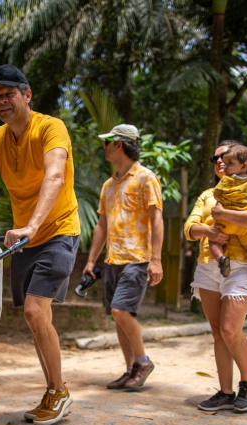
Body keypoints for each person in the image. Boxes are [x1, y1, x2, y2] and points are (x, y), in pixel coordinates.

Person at [0, 64, 80, 425]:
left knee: (33, 311)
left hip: (57, 230)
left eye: (9, 94)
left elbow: (55, 175)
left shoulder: (50, 127)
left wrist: (32, 225)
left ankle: (59, 392)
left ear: (27, 95)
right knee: (36, 318)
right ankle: (53, 390)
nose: (2, 101)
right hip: (26, 238)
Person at [184, 140, 247, 413]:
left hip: (244, 266)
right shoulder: (208, 194)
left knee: (230, 329)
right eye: (215, 158)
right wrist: (208, 232)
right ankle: (224, 392)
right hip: (210, 265)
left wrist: (223, 215)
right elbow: (190, 226)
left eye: (226, 157)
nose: (220, 161)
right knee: (217, 333)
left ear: (240, 161)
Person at [82, 124, 163, 390]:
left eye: (107, 142)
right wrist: (92, 261)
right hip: (112, 260)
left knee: (120, 310)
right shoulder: (109, 185)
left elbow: (157, 219)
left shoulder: (146, 178)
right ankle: (130, 370)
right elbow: (101, 226)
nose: (103, 146)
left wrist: (156, 259)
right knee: (117, 315)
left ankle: (143, 361)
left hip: (138, 258)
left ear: (119, 144)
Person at [208, 144, 247, 286]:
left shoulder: (226, 180)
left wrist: (222, 210)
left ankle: (221, 258)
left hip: (225, 224)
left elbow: (217, 193)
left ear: (243, 166)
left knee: (214, 241)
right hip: (245, 225)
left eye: (229, 163)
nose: (225, 165)